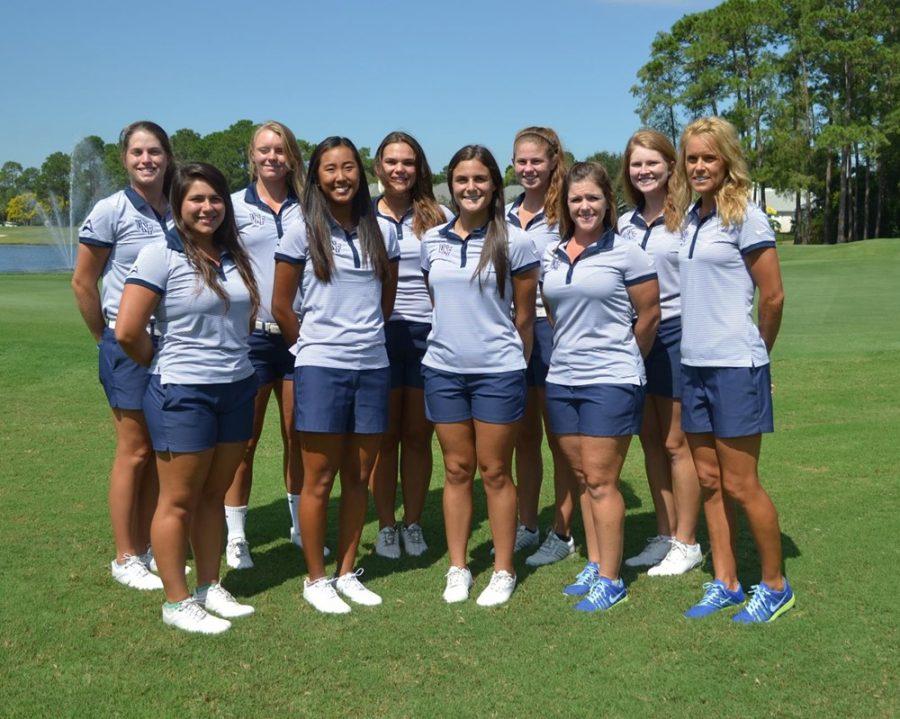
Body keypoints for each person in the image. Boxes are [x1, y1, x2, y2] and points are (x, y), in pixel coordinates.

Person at [117, 162, 260, 634]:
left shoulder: (235, 255)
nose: (207, 207)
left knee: (213, 496)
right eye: (196, 199)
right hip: (183, 391)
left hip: (237, 386)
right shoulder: (160, 254)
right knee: (177, 500)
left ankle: (209, 584)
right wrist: (167, 364)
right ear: (178, 205)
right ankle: (176, 602)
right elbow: (128, 332)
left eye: (215, 198)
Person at [672, 117, 794, 622]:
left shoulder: (746, 217)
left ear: (726, 161)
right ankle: (725, 581)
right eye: (693, 158)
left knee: (743, 484)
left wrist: (757, 353)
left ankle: (775, 584)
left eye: (709, 157)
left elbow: (773, 296)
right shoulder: (689, 217)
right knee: (708, 481)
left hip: (735, 368)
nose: (699, 166)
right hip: (693, 364)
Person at [272, 137, 399, 614]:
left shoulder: (377, 230)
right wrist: (309, 346)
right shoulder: (300, 231)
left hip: (372, 367)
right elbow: (282, 306)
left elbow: (384, 299)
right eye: (330, 169)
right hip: (321, 367)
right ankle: (316, 578)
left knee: (358, 477)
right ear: (316, 176)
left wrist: (364, 337)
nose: (341, 177)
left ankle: (347, 571)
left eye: (348, 168)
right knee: (319, 478)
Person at [420, 145, 539, 607]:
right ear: (450, 185)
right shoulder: (432, 241)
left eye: (480, 180)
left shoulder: (516, 242)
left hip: (498, 372)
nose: (471, 188)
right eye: (462, 180)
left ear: (495, 186)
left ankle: (504, 569)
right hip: (444, 371)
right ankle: (458, 567)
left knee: (494, 471)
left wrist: (510, 363)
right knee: (456, 469)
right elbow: (440, 305)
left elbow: (524, 318)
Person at [541, 162, 660, 611]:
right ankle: (595, 562)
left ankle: (611, 579)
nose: (584, 206)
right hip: (562, 378)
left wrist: (624, 357)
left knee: (602, 480)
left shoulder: (628, 252)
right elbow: (555, 314)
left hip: (610, 378)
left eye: (592, 197)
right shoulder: (553, 254)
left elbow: (649, 315)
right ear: (566, 205)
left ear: (607, 201)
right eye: (576, 199)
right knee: (581, 476)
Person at [71, 120, 175, 591]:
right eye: (137, 152)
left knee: (158, 451)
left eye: (154, 151)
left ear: (167, 156)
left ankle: (151, 546)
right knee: (133, 451)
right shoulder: (111, 209)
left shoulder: (179, 203)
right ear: (124, 159)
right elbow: (83, 281)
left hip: (171, 342)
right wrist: (105, 337)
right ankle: (125, 554)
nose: (146, 160)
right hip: (126, 341)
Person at [223, 121, 322, 570]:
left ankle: (301, 527)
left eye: (280, 150)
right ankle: (237, 536)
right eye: (264, 150)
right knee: (242, 440)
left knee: (297, 436)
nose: (272, 157)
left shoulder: (311, 207)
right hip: (252, 336)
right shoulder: (230, 206)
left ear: (292, 156)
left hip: (302, 336)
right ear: (252, 155)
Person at [618, 130, 702, 576]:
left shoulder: (688, 218)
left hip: (675, 334)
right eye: (636, 165)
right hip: (635, 336)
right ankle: (666, 533)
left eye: (652, 163)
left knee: (675, 441)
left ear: (671, 166)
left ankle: (688, 541)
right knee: (649, 440)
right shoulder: (623, 222)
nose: (644, 171)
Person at [369, 131, 452, 559]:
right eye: (392, 161)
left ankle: (414, 523)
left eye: (408, 162)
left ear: (419, 167)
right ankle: (386, 525)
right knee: (384, 438)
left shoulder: (439, 216)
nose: (399, 169)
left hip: (425, 335)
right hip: (377, 334)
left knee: (418, 437)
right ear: (378, 166)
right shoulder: (362, 215)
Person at [504, 127, 580, 569]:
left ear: (553, 160)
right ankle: (527, 525)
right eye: (521, 161)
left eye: (536, 161)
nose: (528, 169)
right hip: (514, 328)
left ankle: (562, 531)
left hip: (556, 330)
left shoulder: (567, 209)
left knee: (561, 438)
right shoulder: (505, 212)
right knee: (523, 436)